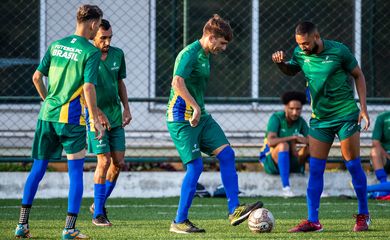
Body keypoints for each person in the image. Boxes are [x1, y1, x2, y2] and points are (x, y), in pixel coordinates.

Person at [166, 14, 262, 234]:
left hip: (201, 117)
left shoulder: (205, 54)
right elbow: (177, 82)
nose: (225, 48)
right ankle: (179, 221)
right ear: (211, 37)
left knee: (227, 155)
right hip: (181, 118)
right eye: (223, 43)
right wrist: (195, 107)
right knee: (196, 167)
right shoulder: (188, 54)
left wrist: (199, 109)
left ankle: (234, 210)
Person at [14, 5, 104, 239]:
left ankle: (22, 226)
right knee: (75, 173)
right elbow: (88, 87)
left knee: (37, 169)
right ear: (94, 24)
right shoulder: (91, 51)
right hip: (71, 119)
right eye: (98, 26)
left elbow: (36, 77)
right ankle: (69, 229)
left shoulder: (56, 44)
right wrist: (95, 119)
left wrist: (48, 101)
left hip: (46, 116)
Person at [272, 21, 370, 232]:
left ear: (317, 37)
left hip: (345, 115)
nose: (302, 47)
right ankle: (313, 221)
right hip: (320, 120)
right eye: (299, 43)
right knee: (315, 168)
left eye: (306, 43)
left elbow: (358, 75)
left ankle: (364, 215)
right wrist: (280, 64)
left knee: (352, 165)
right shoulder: (300, 53)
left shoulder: (339, 50)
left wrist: (363, 108)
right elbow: (291, 70)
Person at [87, 19, 132, 226]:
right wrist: (96, 112)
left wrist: (127, 108)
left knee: (118, 163)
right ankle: (98, 214)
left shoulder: (118, 54)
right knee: (103, 162)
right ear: (94, 35)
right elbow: (81, 90)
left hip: (115, 117)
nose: (107, 41)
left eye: (110, 37)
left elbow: (119, 82)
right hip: (95, 119)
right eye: (103, 38)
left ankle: (99, 203)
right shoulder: (87, 55)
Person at [259, 91, 309, 197]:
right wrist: (293, 138)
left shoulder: (301, 121)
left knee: (313, 148)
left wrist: (306, 141)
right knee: (283, 145)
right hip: (270, 162)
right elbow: (271, 142)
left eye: (298, 109)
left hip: (291, 160)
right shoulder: (276, 118)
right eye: (292, 109)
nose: (295, 112)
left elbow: (311, 140)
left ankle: (317, 188)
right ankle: (286, 188)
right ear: (285, 107)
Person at [367, 111, 390, 197]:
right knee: (374, 151)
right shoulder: (383, 117)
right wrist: (386, 155)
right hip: (385, 157)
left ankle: (367, 189)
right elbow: (375, 142)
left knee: (368, 192)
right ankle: (383, 184)